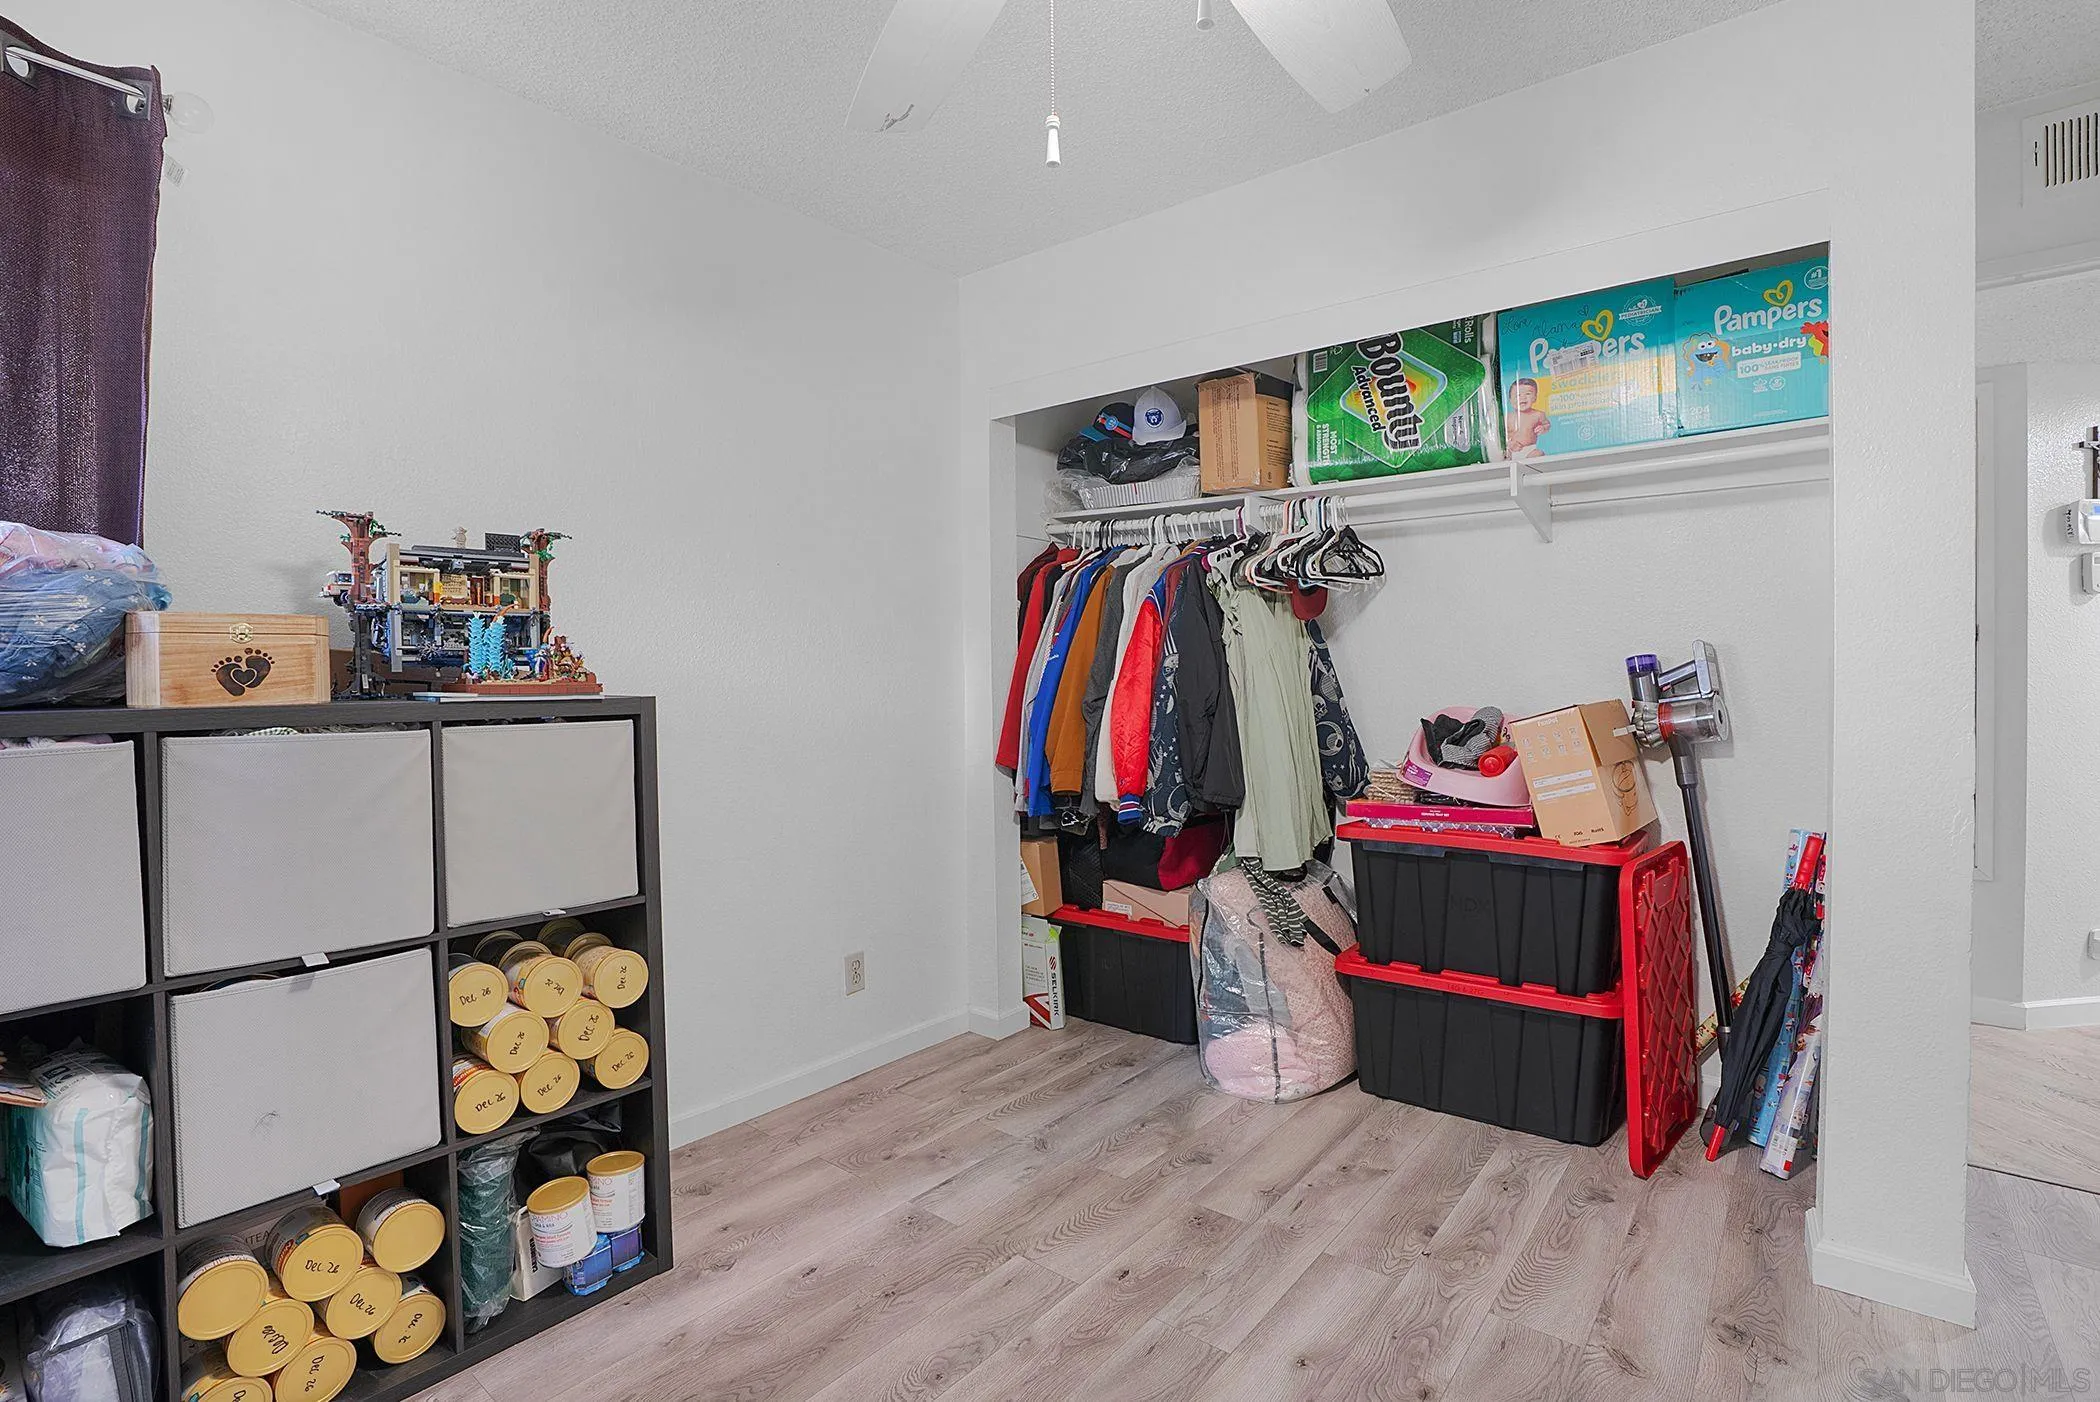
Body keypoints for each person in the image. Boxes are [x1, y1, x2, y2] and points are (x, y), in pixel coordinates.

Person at [1506, 377, 1550, 460]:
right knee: (1502, 454)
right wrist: (1509, 443)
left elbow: (1547, 425)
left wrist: (1543, 428)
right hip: (1511, 449)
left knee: (1539, 453)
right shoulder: (1508, 417)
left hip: (1529, 450)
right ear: (1510, 400)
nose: (1523, 398)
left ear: (1535, 398)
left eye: (1528, 394)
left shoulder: (1538, 414)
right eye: (1518, 395)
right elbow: (1503, 435)